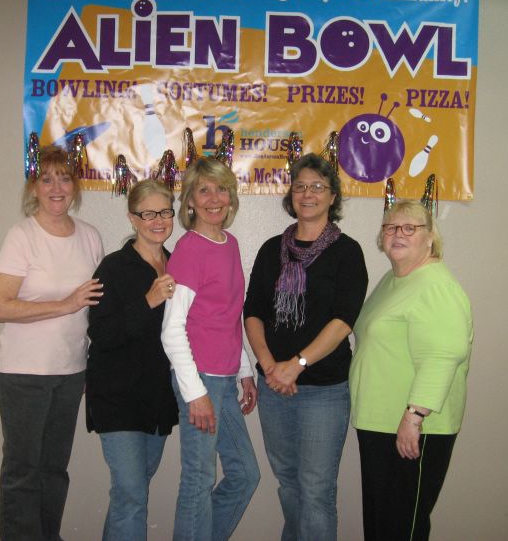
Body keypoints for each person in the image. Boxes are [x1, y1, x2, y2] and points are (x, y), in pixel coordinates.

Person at [243, 153, 368, 541]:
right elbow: (253, 312)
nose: (308, 194)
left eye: (318, 187)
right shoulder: (270, 250)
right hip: (274, 386)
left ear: (333, 197)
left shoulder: (347, 252)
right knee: (289, 484)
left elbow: (343, 320)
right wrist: (269, 366)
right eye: (300, 186)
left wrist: (295, 365)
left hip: (324, 390)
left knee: (315, 490)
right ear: (290, 194)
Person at [0, 144, 104, 541]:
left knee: (54, 470)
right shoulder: (22, 235)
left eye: (64, 177)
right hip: (24, 375)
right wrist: (65, 304)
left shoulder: (90, 237)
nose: (56, 187)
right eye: (46, 178)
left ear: (76, 186)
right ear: (33, 187)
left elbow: (98, 310)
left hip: (71, 374)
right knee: (23, 473)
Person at [350, 199, 473, 541]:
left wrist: (413, 417)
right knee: (381, 522)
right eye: (390, 227)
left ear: (430, 237)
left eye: (409, 227)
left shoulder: (435, 284)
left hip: (413, 428)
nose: (397, 233)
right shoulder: (394, 280)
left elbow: (443, 355)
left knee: (402, 525)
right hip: (380, 422)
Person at [161, 157, 260, 541]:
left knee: (245, 474)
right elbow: (171, 330)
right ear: (189, 201)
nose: (214, 198)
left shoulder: (229, 243)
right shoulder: (189, 250)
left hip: (223, 378)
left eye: (221, 189)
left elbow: (228, 315)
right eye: (204, 190)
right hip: (199, 380)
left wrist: (245, 371)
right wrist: (195, 393)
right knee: (198, 482)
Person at [86, 179, 179, 541]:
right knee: (132, 496)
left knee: (132, 493)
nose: (158, 220)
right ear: (132, 218)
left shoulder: (179, 264)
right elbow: (102, 334)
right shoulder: (112, 268)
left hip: (158, 399)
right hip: (117, 398)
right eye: (149, 213)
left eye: (166, 212)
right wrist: (148, 301)